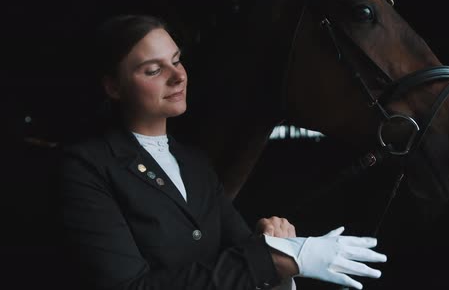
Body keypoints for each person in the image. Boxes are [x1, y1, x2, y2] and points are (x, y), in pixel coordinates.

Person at [58, 14, 386, 290]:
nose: (178, 76)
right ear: (113, 86)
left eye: (176, 60)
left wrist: (270, 243)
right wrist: (272, 258)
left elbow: (240, 261)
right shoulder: (87, 167)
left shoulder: (195, 163)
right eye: (153, 70)